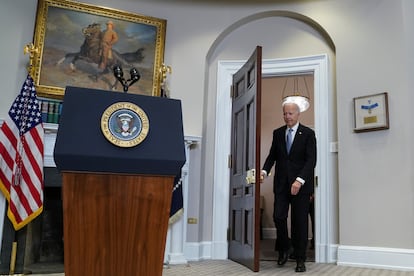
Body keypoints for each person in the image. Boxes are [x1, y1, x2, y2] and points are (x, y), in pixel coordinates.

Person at [261, 102, 316, 273]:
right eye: (285, 113)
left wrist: (299, 180)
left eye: (291, 113)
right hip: (281, 185)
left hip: (301, 186)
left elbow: (311, 160)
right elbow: (272, 156)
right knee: (279, 217)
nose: (287, 117)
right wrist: (264, 171)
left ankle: (300, 258)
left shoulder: (308, 133)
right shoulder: (278, 133)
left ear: (298, 114)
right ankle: (285, 248)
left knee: (299, 223)